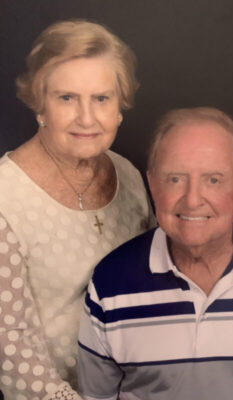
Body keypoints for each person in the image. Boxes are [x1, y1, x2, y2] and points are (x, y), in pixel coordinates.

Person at [78, 107, 233, 400]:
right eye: (175, 179)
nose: (192, 200)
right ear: (153, 184)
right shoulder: (109, 282)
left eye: (213, 180)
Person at [0, 19, 156, 400]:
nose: (87, 118)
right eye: (67, 98)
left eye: (101, 98)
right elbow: (10, 347)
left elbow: (154, 284)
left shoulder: (129, 176)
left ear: (120, 108)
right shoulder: (6, 197)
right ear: (40, 103)